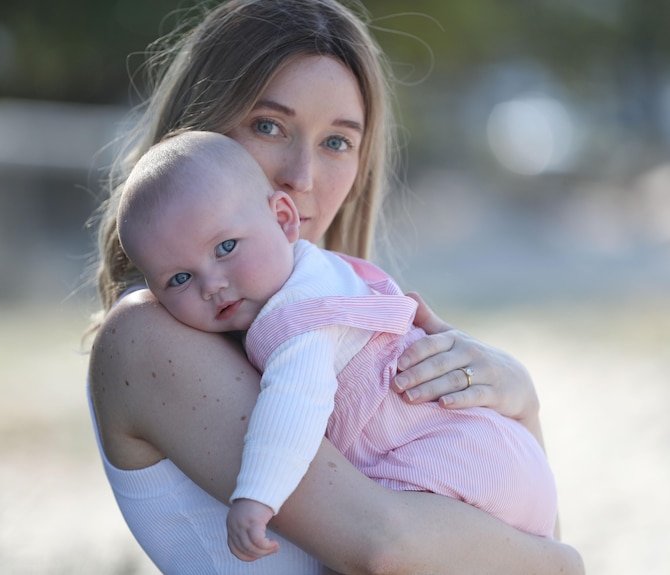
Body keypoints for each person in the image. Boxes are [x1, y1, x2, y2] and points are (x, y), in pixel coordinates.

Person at [87, 0, 584, 573]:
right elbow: (385, 549)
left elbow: (523, 535)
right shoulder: (148, 334)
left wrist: (522, 408)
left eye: (337, 142)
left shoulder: (340, 330)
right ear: (199, 129)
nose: (301, 178)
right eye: (268, 126)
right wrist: (565, 566)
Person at [116, 130, 558, 563]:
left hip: (448, 462)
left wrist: (257, 495)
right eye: (178, 279)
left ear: (283, 218)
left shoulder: (295, 315)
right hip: (500, 465)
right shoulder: (332, 273)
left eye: (226, 247)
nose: (211, 285)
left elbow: (294, 403)